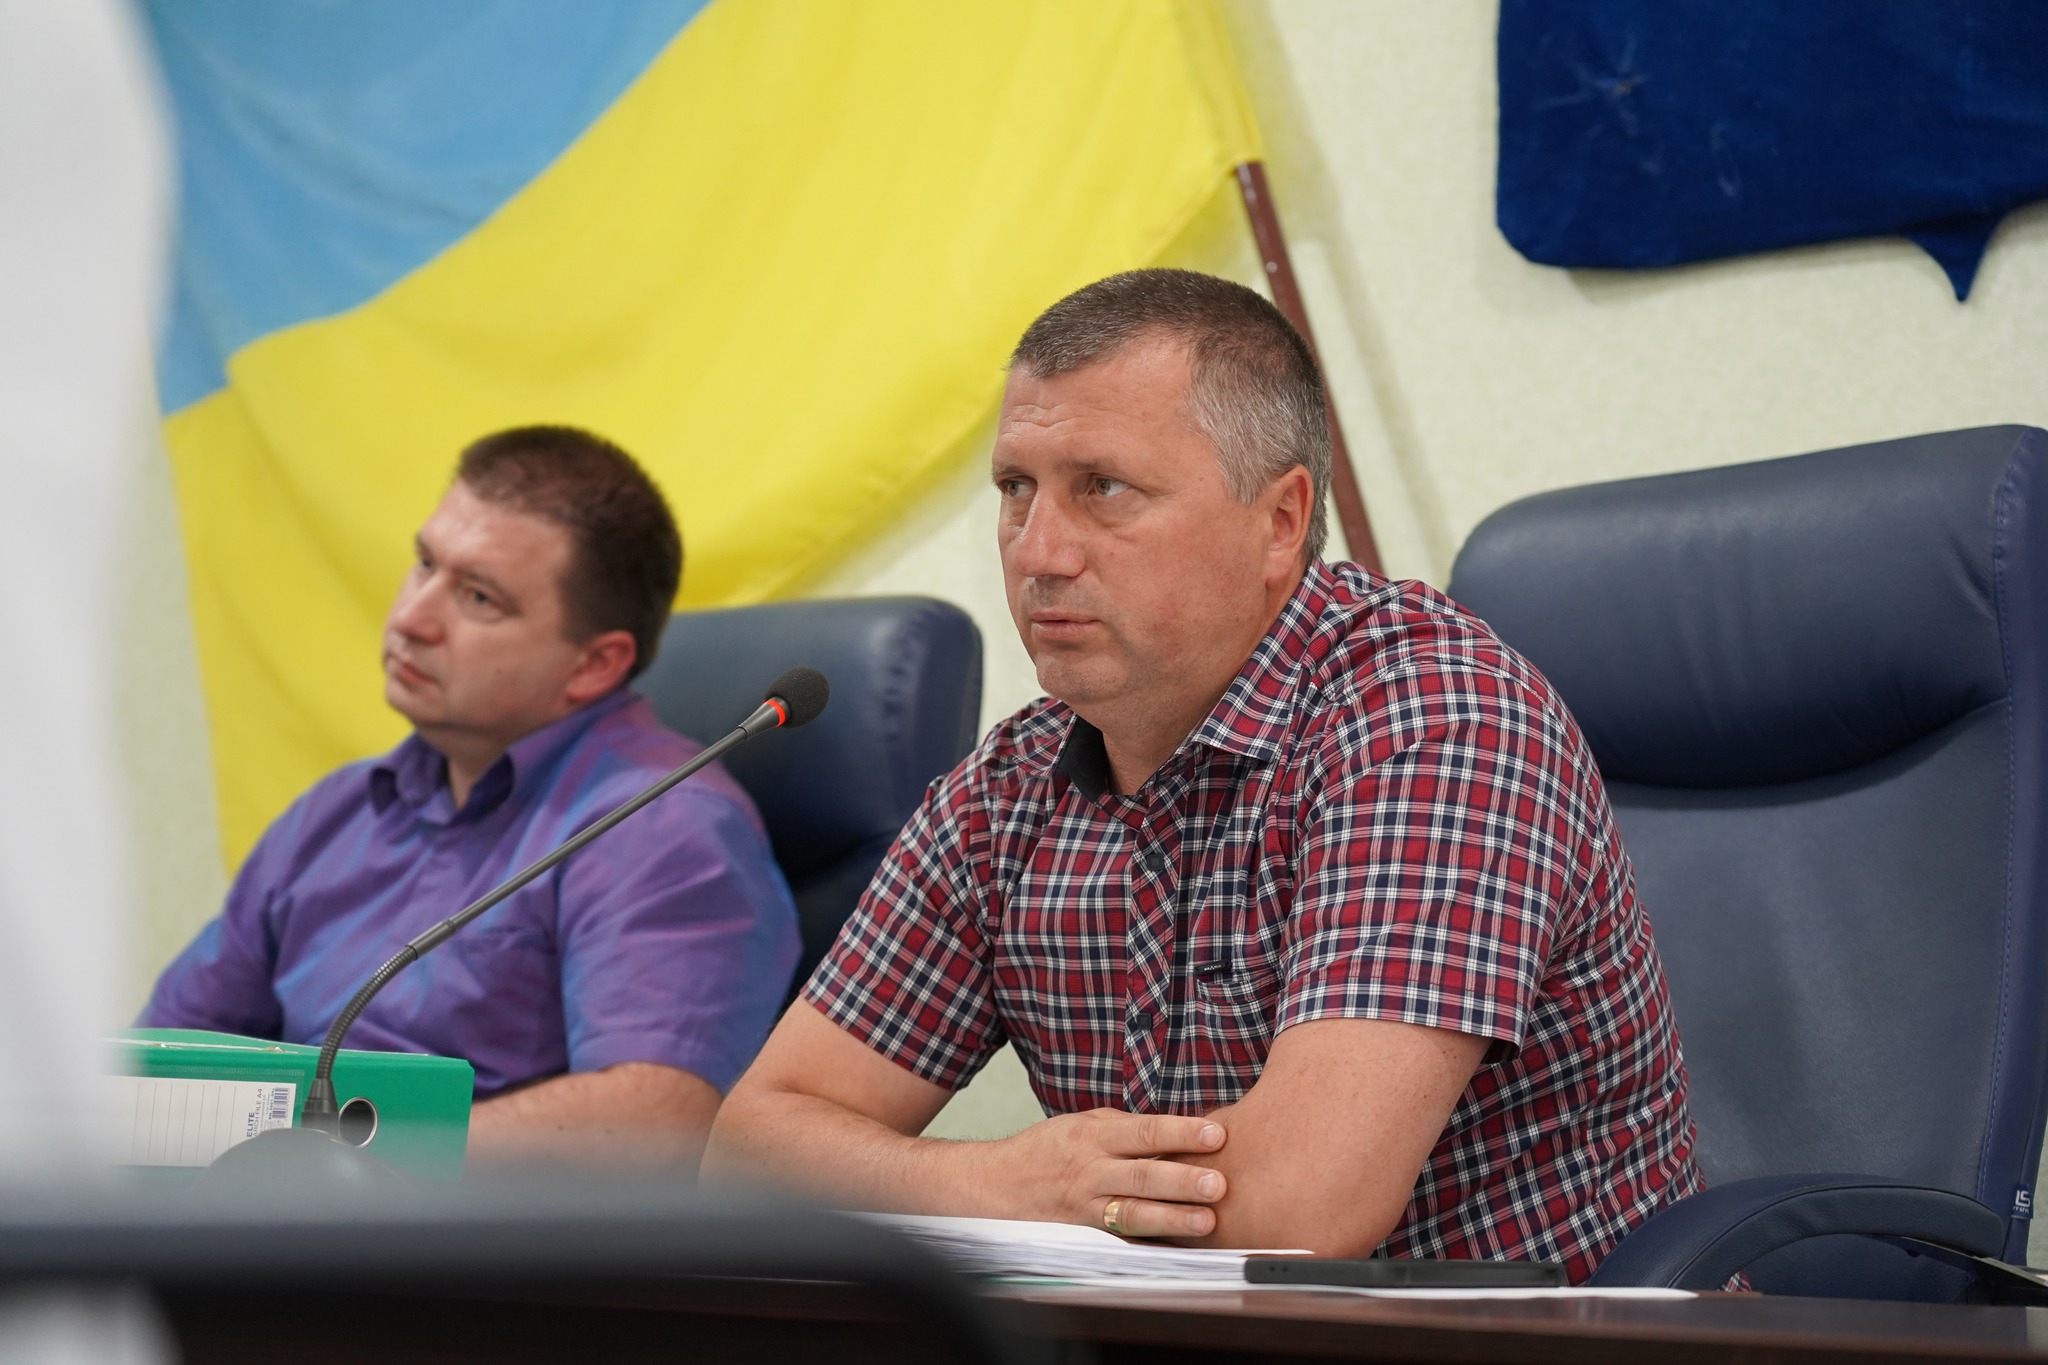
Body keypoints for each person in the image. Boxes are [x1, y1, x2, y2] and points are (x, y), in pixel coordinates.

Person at [703, 270, 1699, 1279]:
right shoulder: (1006, 791)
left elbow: (1302, 1206)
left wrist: (978, 1197)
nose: (1038, 551)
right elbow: (750, 1153)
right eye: (1015, 489)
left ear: (1279, 520)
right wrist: (1003, 1183)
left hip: (1532, 1338)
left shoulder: (1431, 717)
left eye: (1103, 488)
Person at [144, 426, 801, 1170]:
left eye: (479, 597)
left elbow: (653, 1122)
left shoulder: (660, 823)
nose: (411, 619)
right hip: (269, 1217)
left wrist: (344, 1164)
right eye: (425, 563)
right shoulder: (333, 813)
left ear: (593, 664)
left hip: (467, 1238)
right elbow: (166, 1054)